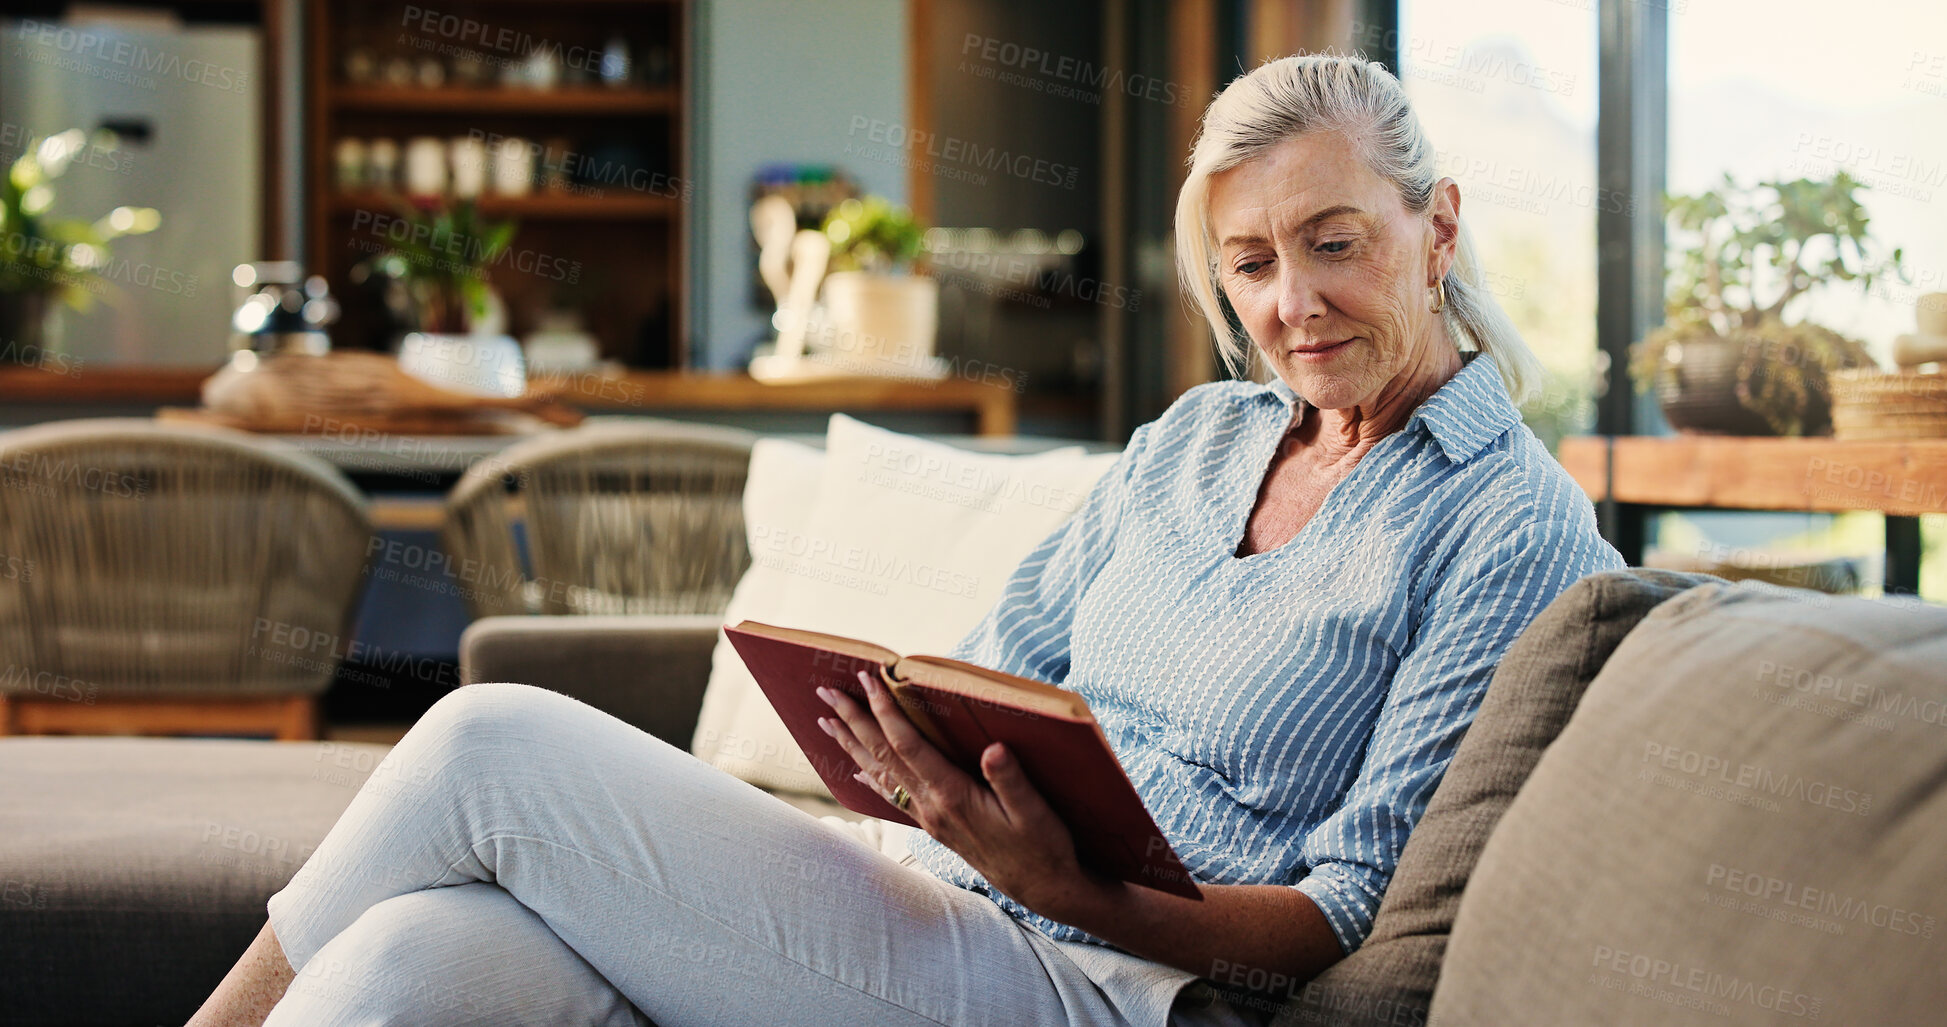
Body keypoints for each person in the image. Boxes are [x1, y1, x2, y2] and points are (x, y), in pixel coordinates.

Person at [189, 52, 1623, 1027]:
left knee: (482, 746)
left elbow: (1345, 910)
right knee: (406, 961)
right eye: (1251, 263)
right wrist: (909, 754)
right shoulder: (1196, 441)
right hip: (933, 906)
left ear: (1436, 230)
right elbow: (995, 662)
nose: (1292, 301)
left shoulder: (1508, 524)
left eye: (1335, 242)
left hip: (1101, 988)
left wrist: (1074, 886)